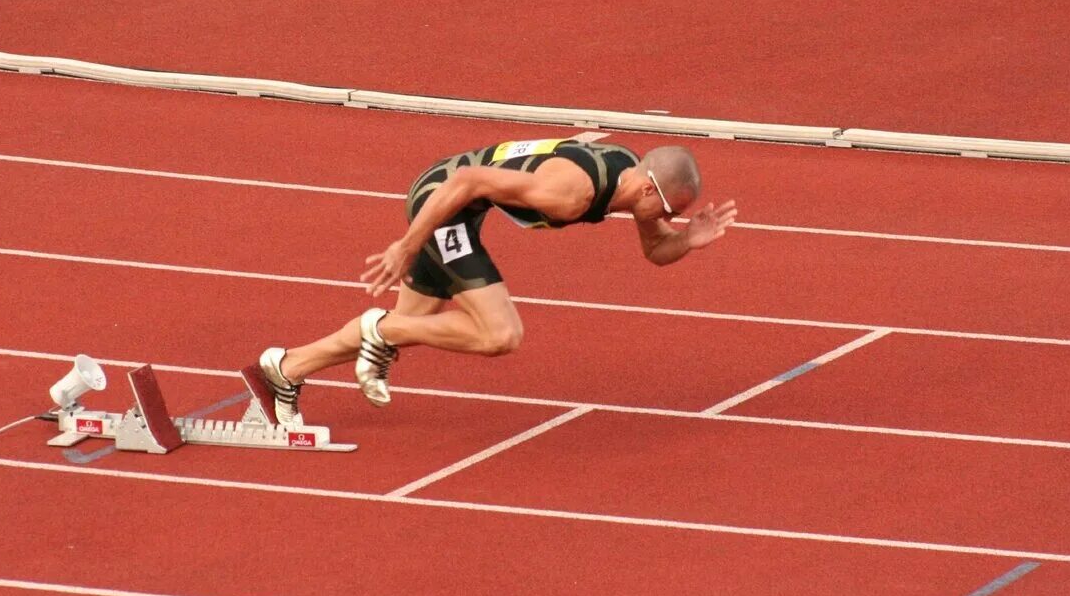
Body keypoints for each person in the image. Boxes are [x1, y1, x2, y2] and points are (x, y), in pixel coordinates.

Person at [257, 138, 738, 427]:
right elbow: (465, 181)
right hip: (445, 201)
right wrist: (406, 245)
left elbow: (655, 250)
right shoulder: (573, 192)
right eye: (671, 212)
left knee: (416, 321)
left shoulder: (629, 178)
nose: (666, 220)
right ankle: (379, 331)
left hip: (465, 206)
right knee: (500, 334)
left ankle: (286, 366)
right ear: (650, 188)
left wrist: (687, 241)